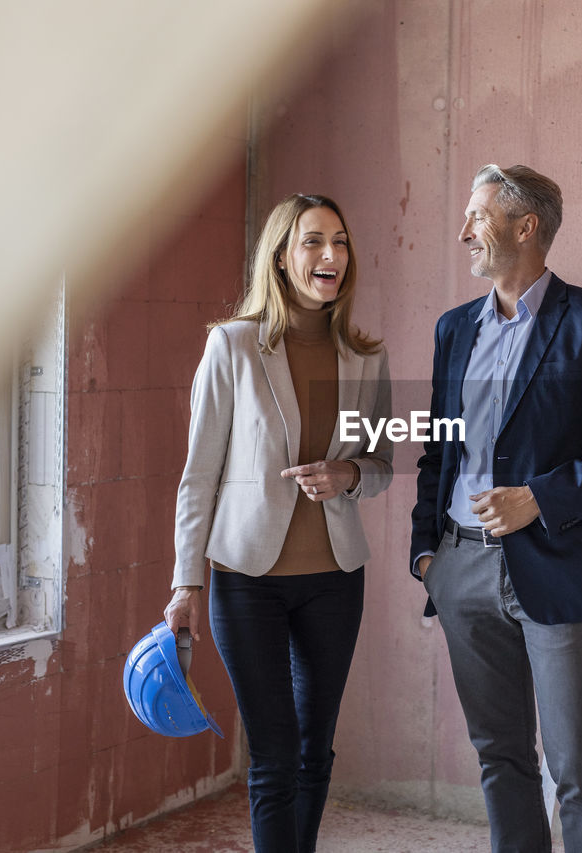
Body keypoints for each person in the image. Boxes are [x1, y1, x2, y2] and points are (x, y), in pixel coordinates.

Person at [410, 164, 582, 853]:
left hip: (557, 568)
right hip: (460, 568)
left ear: (526, 227)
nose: (464, 231)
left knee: (579, 769)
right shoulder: (453, 330)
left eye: (478, 217)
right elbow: (441, 451)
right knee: (501, 759)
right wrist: (428, 553)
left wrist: (539, 499)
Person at [165, 193, 393, 853]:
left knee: (313, 749)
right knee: (272, 755)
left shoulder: (365, 356)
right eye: (313, 241)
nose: (331, 255)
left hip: (335, 577)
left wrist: (348, 475)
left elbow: (379, 462)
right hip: (246, 579)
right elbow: (198, 472)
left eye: (341, 241)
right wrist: (187, 582)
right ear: (282, 256)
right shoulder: (232, 345)